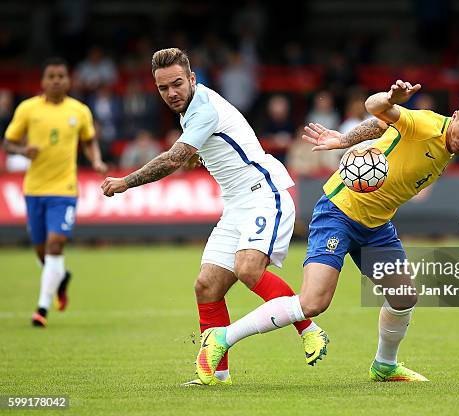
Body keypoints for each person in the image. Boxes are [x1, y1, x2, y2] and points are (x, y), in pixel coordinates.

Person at [194, 80, 459, 384]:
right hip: (338, 213)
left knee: (403, 296)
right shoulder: (424, 124)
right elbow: (376, 108)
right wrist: (391, 97)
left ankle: (384, 365)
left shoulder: (446, 144)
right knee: (314, 302)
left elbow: (380, 126)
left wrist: (344, 140)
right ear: (456, 114)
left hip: (376, 226)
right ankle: (222, 337)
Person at [100, 48, 325, 386]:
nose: (172, 93)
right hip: (236, 203)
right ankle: (218, 374)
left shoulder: (203, 109)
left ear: (192, 79)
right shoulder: (190, 109)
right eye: (163, 88)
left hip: (264, 193)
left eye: (178, 83)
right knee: (206, 286)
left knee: (248, 268)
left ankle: (309, 327)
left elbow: (174, 158)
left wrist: (125, 182)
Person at [2, 57, 107, 327]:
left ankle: (42, 309)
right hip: (34, 189)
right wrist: (23, 150)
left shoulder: (79, 111)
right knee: (41, 251)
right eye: (52, 76)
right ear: (43, 81)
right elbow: (8, 142)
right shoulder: (28, 109)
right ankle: (61, 279)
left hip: (65, 190)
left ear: (68, 80)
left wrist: (95, 160)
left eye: (62, 75)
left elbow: (90, 140)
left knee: (55, 244)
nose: (57, 80)